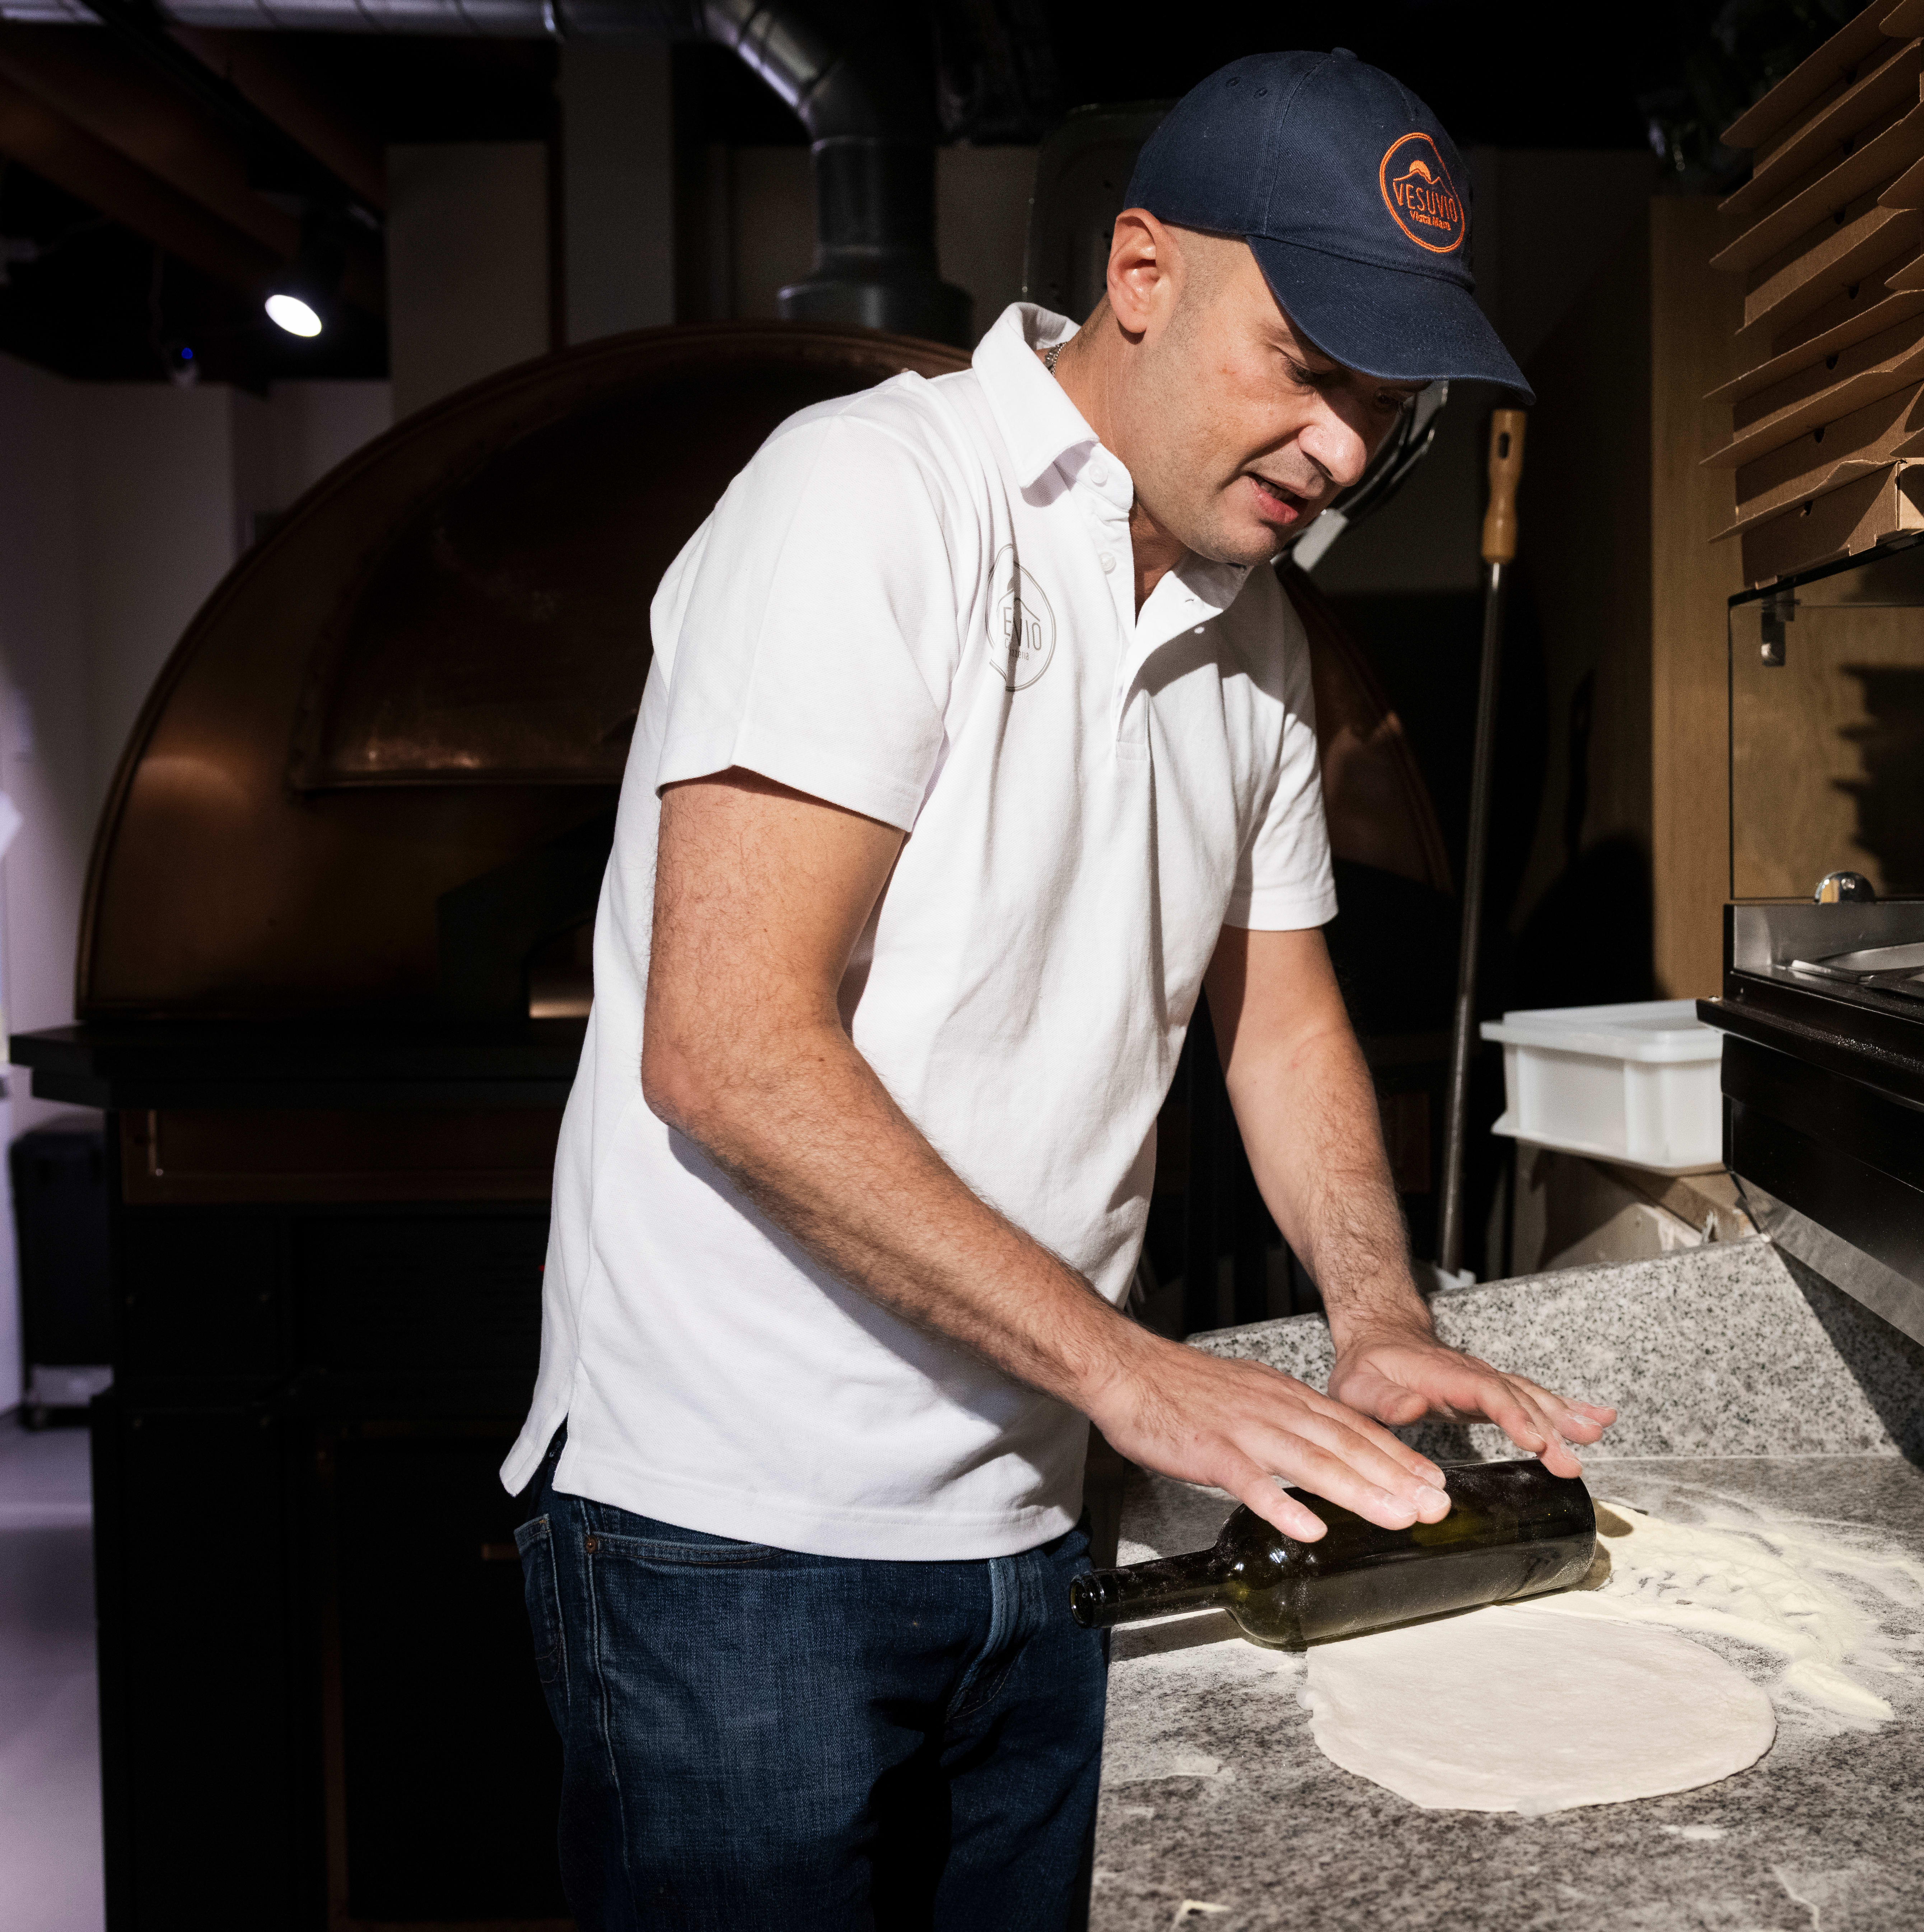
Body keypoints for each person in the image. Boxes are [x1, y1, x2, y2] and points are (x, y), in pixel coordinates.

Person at [500, 48, 1617, 1931]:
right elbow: (726, 1047)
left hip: (1045, 1511)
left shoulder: (1254, 635)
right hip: (735, 1533)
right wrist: (1136, 1376)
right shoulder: (870, 502)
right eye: (1307, 363)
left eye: (1383, 397)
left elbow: (1278, 1017)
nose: (1344, 447)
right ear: (1143, 271)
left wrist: (1375, 1308)